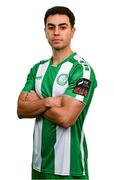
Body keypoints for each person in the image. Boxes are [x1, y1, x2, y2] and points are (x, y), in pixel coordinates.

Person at [17, 6, 97, 180]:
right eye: (51, 27)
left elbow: (66, 118)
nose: (56, 32)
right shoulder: (37, 69)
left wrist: (37, 101)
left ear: (72, 31)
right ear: (45, 31)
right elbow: (21, 110)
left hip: (70, 170)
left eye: (63, 27)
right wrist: (49, 101)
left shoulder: (81, 70)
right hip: (38, 166)